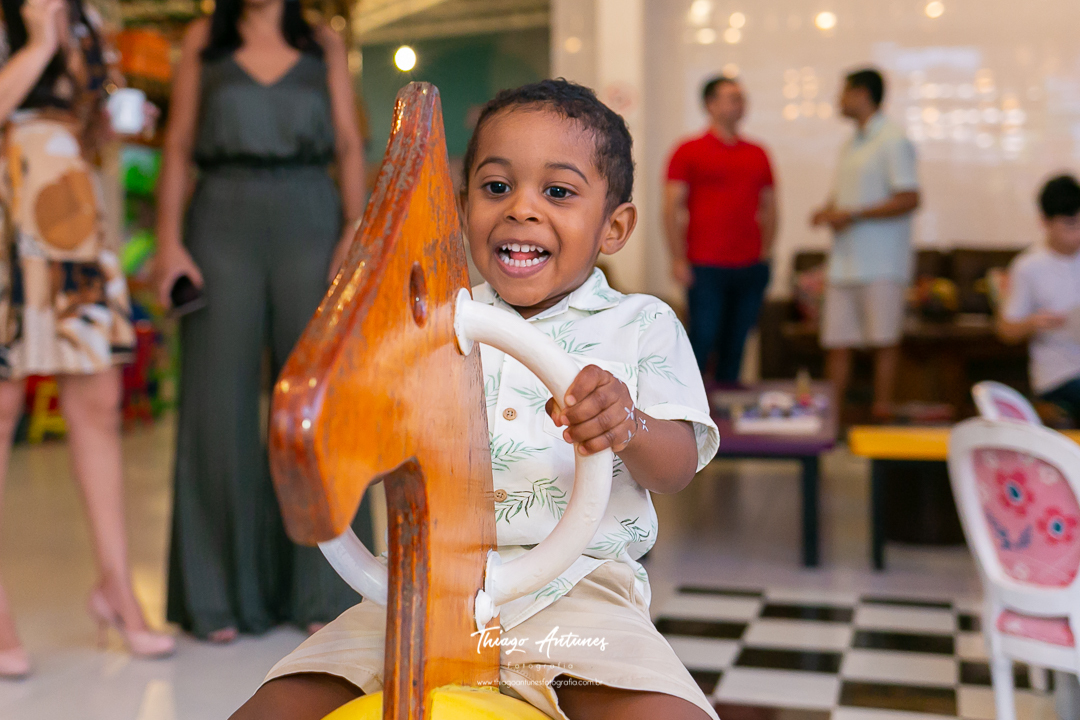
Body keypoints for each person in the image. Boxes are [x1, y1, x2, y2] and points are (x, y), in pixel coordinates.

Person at [230, 79, 722, 720]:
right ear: (463, 208)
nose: (521, 209)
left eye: (558, 191)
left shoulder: (639, 324)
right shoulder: (431, 323)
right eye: (496, 186)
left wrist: (626, 423)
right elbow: (362, 445)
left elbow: (677, 466)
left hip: (577, 595)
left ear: (614, 226)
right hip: (419, 590)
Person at [154, 0, 369, 642]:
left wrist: (354, 227)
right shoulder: (204, 39)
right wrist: (168, 242)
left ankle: (326, 587)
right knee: (215, 403)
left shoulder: (323, 43)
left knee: (317, 404)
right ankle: (217, 595)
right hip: (220, 222)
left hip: (312, 220)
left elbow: (349, 142)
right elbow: (178, 144)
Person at [0, 0, 175, 677]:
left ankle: (117, 589)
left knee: (98, 400)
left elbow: (91, 135)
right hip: (8, 209)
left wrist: (115, 123)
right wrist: (38, 43)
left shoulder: (89, 21)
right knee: (4, 404)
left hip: (70, 209)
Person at [811, 68, 919, 419]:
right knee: (837, 343)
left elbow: (909, 197)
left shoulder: (893, 139)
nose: (838, 100)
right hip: (844, 263)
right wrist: (828, 211)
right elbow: (847, 197)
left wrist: (854, 214)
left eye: (843, 92)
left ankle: (880, 420)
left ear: (862, 94)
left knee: (883, 343)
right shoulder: (852, 142)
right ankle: (832, 424)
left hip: (882, 264)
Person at [664, 75, 777, 383]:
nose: (740, 104)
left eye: (742, 98)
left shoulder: (758, 153)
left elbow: (770, 208)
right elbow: (671, 208)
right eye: (732, 98)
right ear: (710, 104)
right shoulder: (688, 150)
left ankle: (727, 406)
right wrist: (677, 258)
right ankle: (689, 405)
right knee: (702, 337)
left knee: (736, 344)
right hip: (705, 264)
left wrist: (765, 253)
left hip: (750, 264)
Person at [998, 175, 1080, 425]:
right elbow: (1005, 330)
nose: (1078, 232)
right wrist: (1034, 322)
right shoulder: (1028, 267)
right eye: (1070, 224)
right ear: (1045, 221)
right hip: (1057, 377)